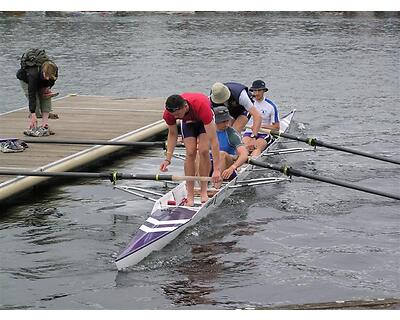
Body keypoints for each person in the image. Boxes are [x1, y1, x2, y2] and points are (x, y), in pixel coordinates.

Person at [160, 93, 222, 206]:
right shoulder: (169, 114)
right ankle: (190, 194)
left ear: (185, 106)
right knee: (190, 152)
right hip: (188, 124)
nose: (175, 117)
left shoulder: (202, 107)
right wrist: (167, 159)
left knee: (203, 150)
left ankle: (203, 191)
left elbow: (214, 142)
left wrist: (217, 169)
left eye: (178, 114)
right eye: (173, 115)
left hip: (203, 121)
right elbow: (173, 134)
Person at [16, 49, 59, 137]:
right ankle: (33, 126)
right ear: (43, 71)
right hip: (26, 80)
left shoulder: (54, 69)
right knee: (36, 101)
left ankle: (45, 126)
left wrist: (47, 88)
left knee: (46, 97)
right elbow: (32, 95)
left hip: (40, 80)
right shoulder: (33, 73)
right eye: (46, 75)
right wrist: (33, 114)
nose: (48, 78)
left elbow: (51, 81)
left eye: (49, 76)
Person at [243, 79, 280, 157]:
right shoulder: (248, 103)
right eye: (254, 91)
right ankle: (239, 167)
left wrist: (259, 126)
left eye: (259, 90)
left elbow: (276, 127)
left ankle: (250, 165)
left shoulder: (271, 106)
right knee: (244, 148)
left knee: (257, 148)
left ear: (264, 91)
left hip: (264, 133)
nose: (256, 93)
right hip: (249, 132)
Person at [213, 106, 248, 183]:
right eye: (223, 121)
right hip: (212, 165)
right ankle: (197, 187)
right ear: (215, 121)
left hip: (227, 170)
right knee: (199, 155)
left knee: (221, 154)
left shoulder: (231, 133)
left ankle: (215, 188)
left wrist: (232, 167)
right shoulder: (207, 131)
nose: (227, 124)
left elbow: (244, 154)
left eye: (227, 121)